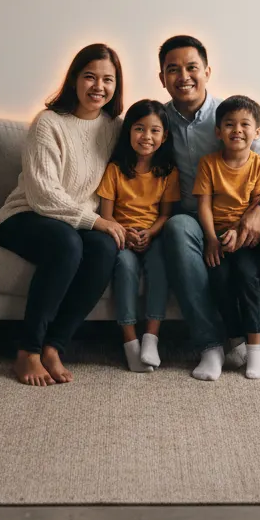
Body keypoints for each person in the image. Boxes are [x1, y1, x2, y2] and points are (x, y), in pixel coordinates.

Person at [158, 34, 260, 381]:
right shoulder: (158, 120)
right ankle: (210, 346)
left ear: (207, 71)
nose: (184, 77)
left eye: (192, 67)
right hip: (196, 218)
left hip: (250, 212)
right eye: (173, 70)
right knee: (177, 228)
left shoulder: (235, 116)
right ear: (162, 78)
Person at [0, 43, 127, 386]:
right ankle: (28, 350)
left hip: (77, 222)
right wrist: (96, 221)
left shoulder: (115, 127)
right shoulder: (48, 123)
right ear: (73, 80)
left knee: (104, 248)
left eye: (108, 80)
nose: (99, 86)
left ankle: (55, 345)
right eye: (90, 77)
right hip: (25, 216)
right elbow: (42, 195)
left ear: (116, 86)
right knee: (68, 244)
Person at [195, 96, 260, 380]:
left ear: (257, 132)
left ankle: (256, 349)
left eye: (245, 124)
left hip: (245, 236)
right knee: (217, 277)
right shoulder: (208, 164)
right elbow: (204, 205)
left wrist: (238, 232)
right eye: (229, 124)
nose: (237, 130)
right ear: (218, 131)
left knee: (247, 275)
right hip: (216, 236)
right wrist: (211, 239)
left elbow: (256, 205)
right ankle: (235, 339)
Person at [97, 99, 180, 372]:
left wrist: (149, 233)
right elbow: (106, 215)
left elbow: (166, 215)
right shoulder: (115, 169)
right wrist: (125, 233)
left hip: (153, 236)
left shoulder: (168, 172)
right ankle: (130, 341)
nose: (147, 137)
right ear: (129, 132)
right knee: (125, 267)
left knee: (160, 266)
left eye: (155, 131)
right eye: (139, 129)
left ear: (164, 136)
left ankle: (151, 338)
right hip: (121, 236)